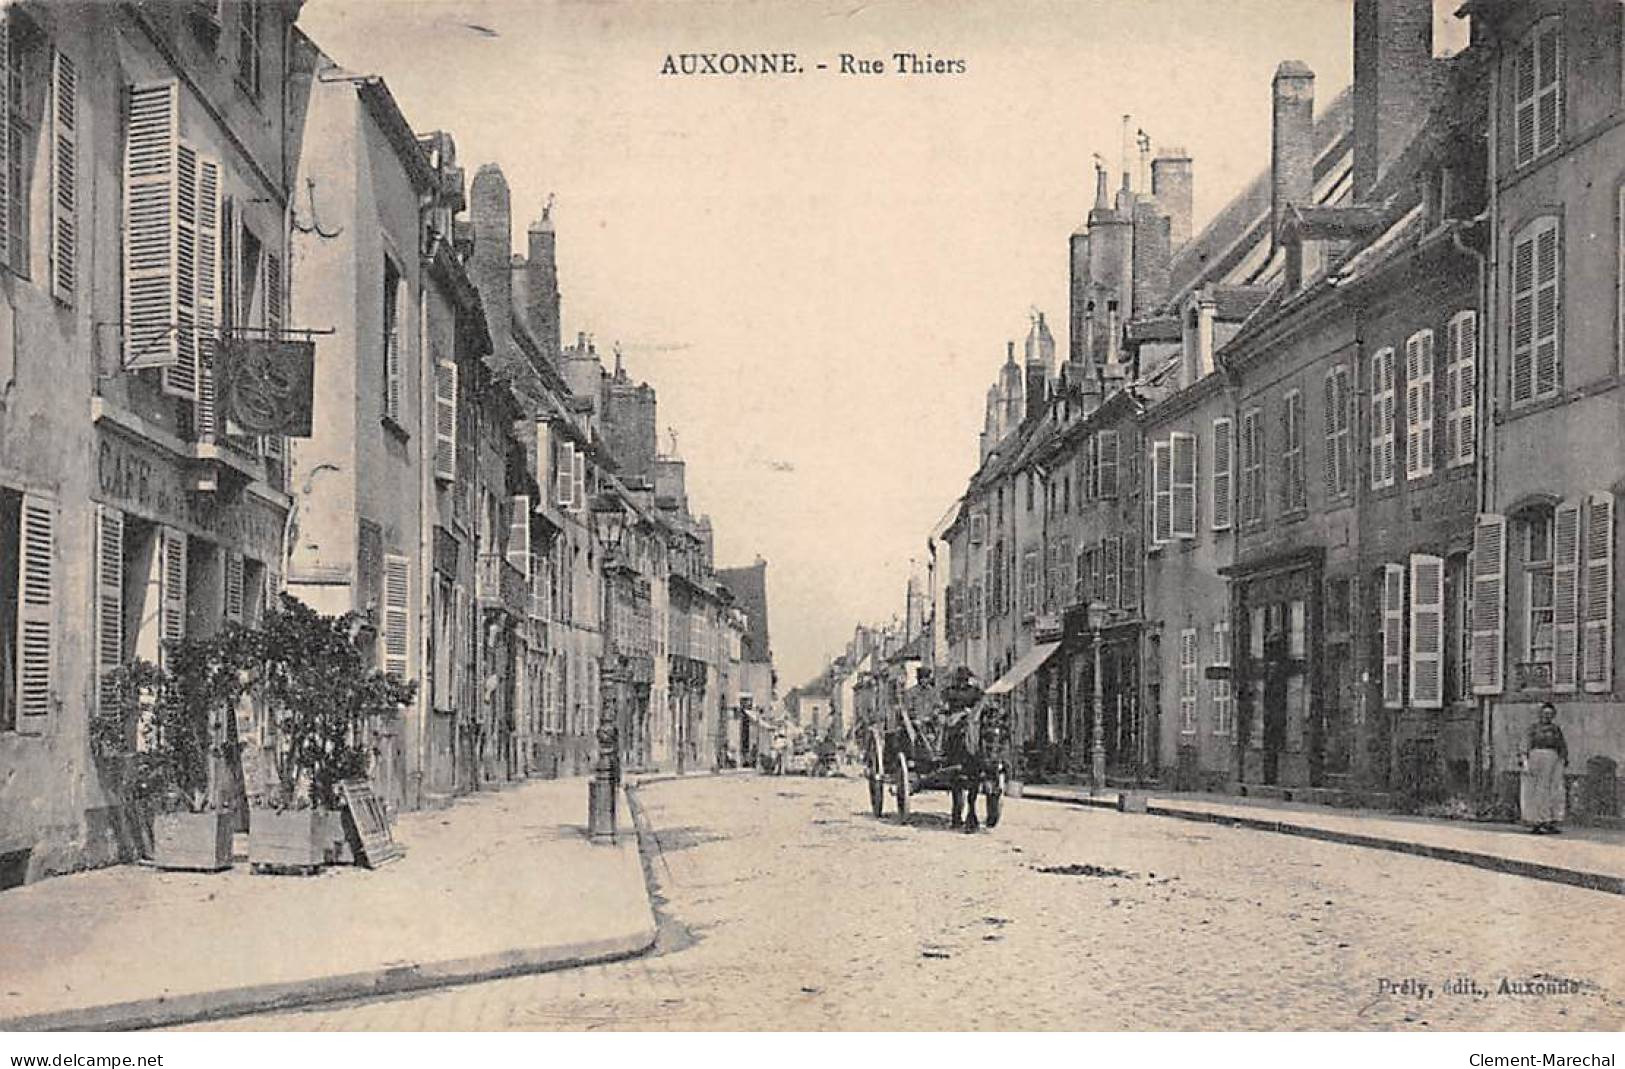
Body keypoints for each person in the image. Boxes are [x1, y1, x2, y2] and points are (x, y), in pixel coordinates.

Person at [1520, 702, 1568, 834]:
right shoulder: (1533, 729)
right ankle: (1536, 821)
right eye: (1545, 714)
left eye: (1550, 714)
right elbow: (1525, 744)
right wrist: (1525, 761)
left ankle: (1550, 820)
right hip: (1536, 758)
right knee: (1537, 790)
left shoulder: (1555, 730)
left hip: (1553, 760)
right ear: (1540, 714)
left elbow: (1561, 746)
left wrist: (1562, 760)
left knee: (1553, 790)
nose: (1547, 717)